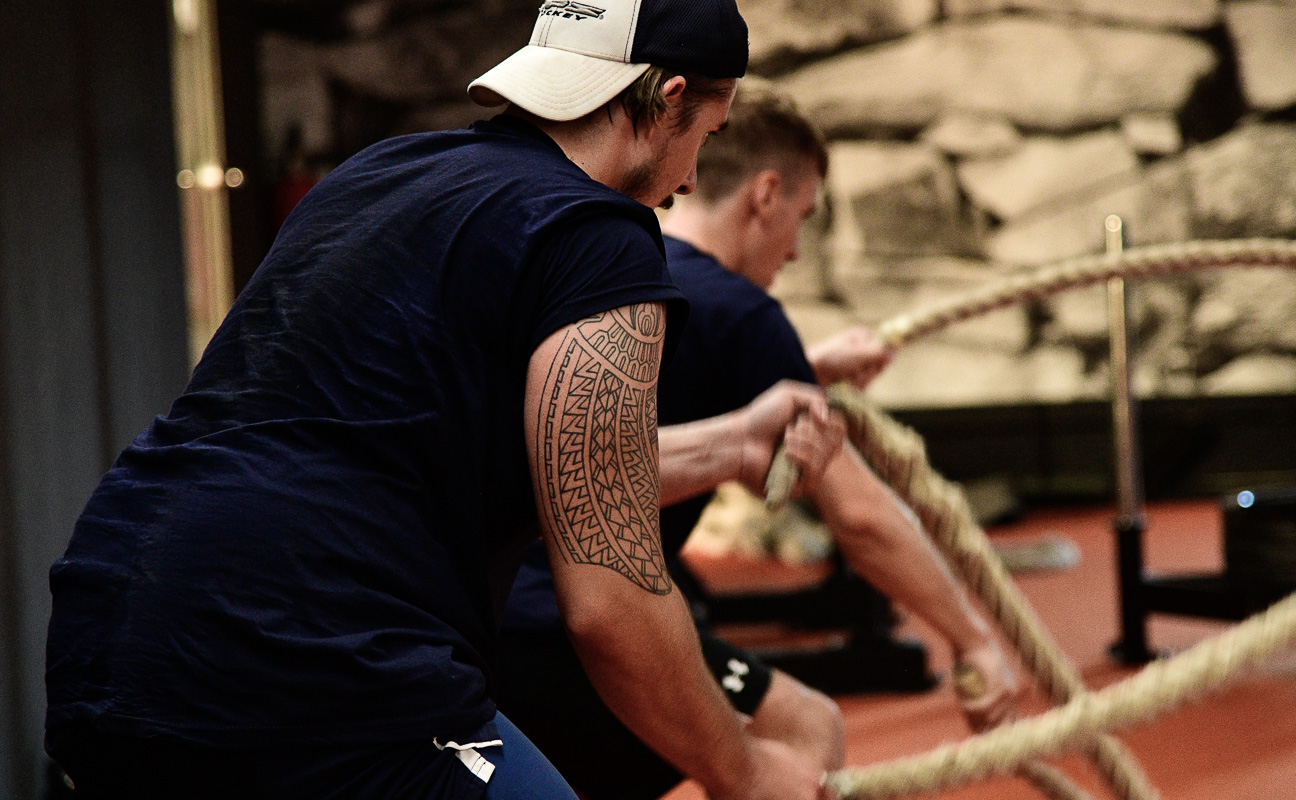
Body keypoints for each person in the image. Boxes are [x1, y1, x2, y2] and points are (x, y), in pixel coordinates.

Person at [43, 3, 846, 799]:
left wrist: (734, 442)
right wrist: (746, 773)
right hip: (304, 644)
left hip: (112, 623)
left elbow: (407, 443)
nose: (693, 180)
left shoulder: (378, 174)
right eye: (707, 137)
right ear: (669, 99)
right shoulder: (600, 234)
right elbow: (612, 595)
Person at [495, 82, 1024, 800]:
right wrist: (973, 640)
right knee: (803, 731)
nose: (798, 250)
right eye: (801, 219)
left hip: (490, 613)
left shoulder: (631, 273)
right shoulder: (745, 317)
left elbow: (682, 376)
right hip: (560, 619)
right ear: (765, 194)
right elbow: (862, 518)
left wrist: (807, 365)